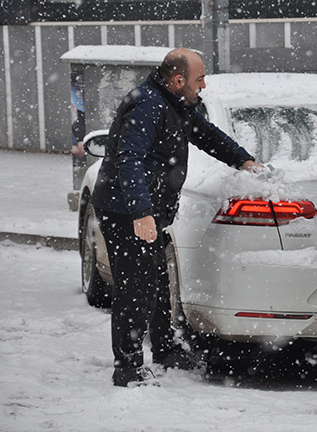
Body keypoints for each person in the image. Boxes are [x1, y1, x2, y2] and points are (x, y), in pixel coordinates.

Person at [91, 48, 264, 387]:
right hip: (125, 210)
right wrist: (141, 213)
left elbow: (208, 135)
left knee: (156, 280)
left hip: (147, 210)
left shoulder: (176, 104)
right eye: (200, 78)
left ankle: (166, 351)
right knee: (135, 288)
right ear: (179, 80)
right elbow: (129, 159)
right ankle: (127, 368)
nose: (204, 85)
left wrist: (244, 161)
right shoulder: (149, 105)